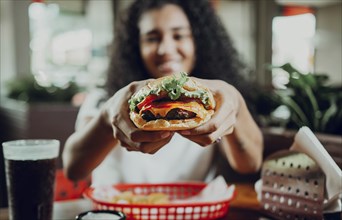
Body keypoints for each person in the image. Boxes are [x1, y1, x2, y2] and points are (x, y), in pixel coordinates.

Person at [62, 0, 263, 185]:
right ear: (135, 47)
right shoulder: (102, 99)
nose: (165, 49)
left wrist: (235, 101)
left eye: (179, 35)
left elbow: (250, 165)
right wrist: (107, 117)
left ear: (199, 42)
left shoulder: (214, 105)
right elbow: (74, 169)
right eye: (152, 38)